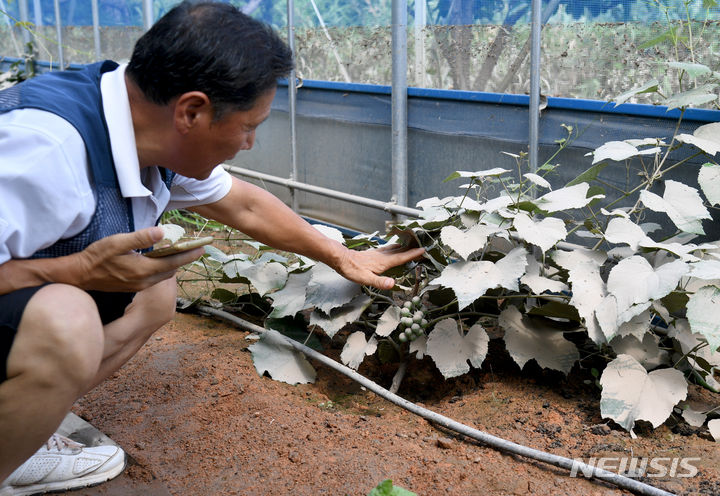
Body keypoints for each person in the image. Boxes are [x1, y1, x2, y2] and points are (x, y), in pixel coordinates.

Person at [0, 2, 424, 494]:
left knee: (155, 291)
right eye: (249, 126)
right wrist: (77, 272)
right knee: (66, 318)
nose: (249, 143)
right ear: (192, 111)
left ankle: (21, 427)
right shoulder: (43, 150)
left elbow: (242, 206)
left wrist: (344, 256)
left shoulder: (141, 114)